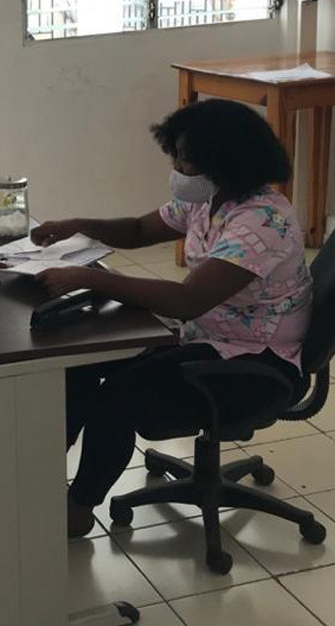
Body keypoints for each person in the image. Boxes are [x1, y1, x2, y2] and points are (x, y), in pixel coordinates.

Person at [31, 99, 312, 538]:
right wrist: (78, 225)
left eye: (186, 158)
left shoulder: (263, 222)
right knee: (79, 364)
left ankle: (78, 508)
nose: (178, 166)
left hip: (253, 364)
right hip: (206, 337)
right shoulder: (210, 199)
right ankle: (36, 479)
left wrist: (89, 278)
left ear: (223, 161)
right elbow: (140, 231)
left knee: (116, 399)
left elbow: (186, 300)